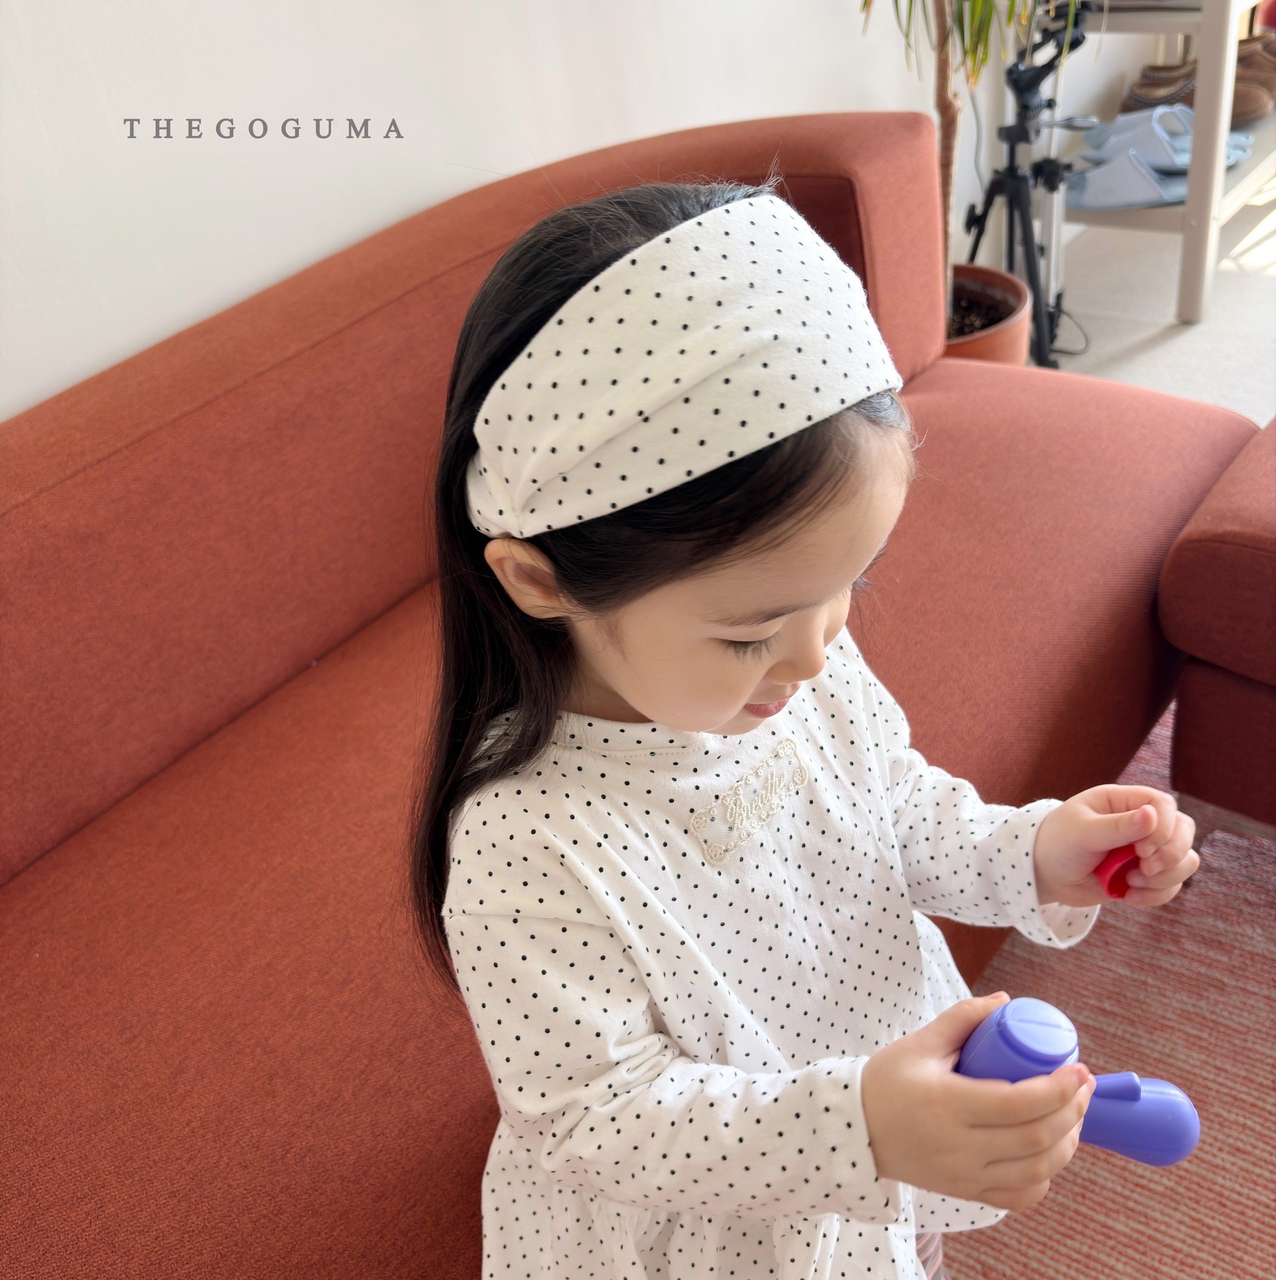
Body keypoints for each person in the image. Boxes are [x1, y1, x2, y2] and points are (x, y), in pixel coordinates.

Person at [407, 179, 1199, 1280]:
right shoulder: (524, 840)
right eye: (748, 632)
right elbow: (590, 1116)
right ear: (540, 579)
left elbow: (895, 808)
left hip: (868, 1126)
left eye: (848, 590)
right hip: (712, 1223)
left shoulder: (793, 673)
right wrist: (856, 1127)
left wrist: (1030, 851)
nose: (817, 655)